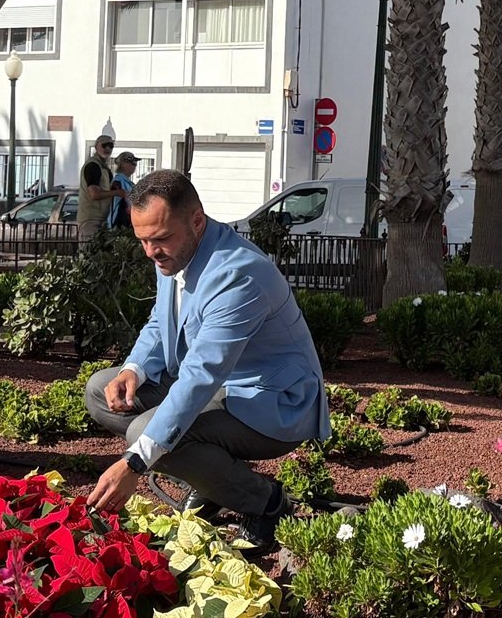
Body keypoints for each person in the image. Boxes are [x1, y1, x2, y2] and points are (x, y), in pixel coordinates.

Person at [84, 168, 329, 546]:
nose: (151, 252)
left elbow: (200, 378)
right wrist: (135, 368)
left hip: (271, 404)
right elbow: (160, 319)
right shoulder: (175, 252)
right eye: (143, 241)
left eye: (160, 239)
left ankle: (266, 503)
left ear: (196, 220)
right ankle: (213, 483)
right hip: (221, 388)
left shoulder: (238, 275)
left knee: (143, 434)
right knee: (102, 391)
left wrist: (134, 462)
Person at [75, 134, 115, 242]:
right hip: (90, 220)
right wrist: (117, 193)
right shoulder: (92, 166)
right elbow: (94, 194)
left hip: (102, 219)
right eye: (104, 145)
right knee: (89, 254)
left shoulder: (104, 167)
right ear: (97, 146)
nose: (108, 148)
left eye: (111, 146)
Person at [103, 151, 138, 231]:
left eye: (135, 163)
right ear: (123, 164)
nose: (135, 165)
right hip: (120, 223)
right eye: (132, 162)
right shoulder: (118, 182)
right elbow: (114, 205)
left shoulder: (128, 182)